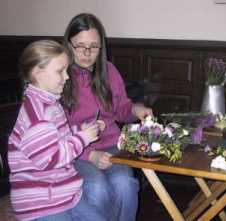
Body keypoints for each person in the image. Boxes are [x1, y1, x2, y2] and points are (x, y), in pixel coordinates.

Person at [62, 13, 153, 221]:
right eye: (80, 46)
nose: (87, 53)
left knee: (126, 185)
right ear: (68, 45)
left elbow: (121, 108)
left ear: (101, 47)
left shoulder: (109, 70)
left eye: (93, 47)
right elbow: (57, 132)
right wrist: (89, 156)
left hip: (113, 146)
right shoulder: (61, 76)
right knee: (97, 186)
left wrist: (135, 110)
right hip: (76, 150)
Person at [8, 40, 107, 221]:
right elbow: (51, 159)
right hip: (41, 202)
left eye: (66, 70)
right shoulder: (36, 115)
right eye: (60, 71)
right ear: (38, 72)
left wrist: (81, 130)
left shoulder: (50, 102)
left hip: (61, 192)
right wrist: (83, 138)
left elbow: (59, 137)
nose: (67, 77)